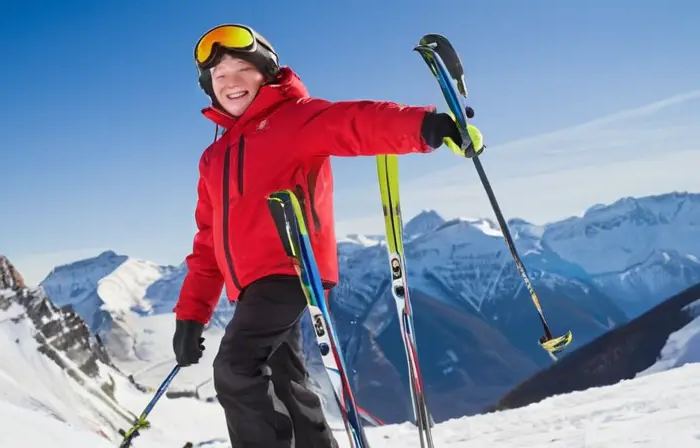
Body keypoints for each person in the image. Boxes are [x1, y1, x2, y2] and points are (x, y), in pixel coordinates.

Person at [172, 23, 484, 448]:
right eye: (219, 76)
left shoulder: (293, 117)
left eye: (241, 69)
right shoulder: (214, 159)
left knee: (236, 367)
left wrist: (426, 127)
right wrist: (191, 316)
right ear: (209, 89)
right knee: (286, 380)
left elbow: (353, 123)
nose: (231, 82)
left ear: (265, 71)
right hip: (249, 288)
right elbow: (208, 242)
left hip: (292, 269)